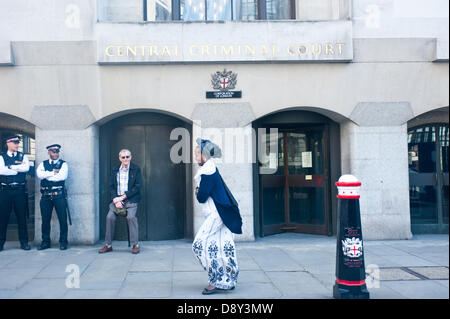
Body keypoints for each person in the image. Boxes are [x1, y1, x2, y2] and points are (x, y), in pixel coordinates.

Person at [192, 138, 243, 295]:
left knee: (199, 245)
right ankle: (228, 280)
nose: (195, 157)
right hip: (223, 212)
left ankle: (216, 280)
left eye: (197, 154)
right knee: (221, 245)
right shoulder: (211, 168)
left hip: (217, 214)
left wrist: (197, 191)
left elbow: (201, 197)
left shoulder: (207, 172)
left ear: (204, 155)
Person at [99, 149, 142, 254]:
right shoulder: (115, 170)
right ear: (120, 158)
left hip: (130, 200)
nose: (125, 159)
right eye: (123, 157)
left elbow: (137, 187)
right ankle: (108, 245)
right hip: (116, 200)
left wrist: (122, 197)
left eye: (127, 156)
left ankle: (135, 245)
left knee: (131, 217)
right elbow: (111, 186)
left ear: (131, 157)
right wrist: (115, 199)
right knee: (110, 217)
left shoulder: (136, 169)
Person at [0, 135, 31, 251]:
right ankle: (1, 242)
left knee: (21, 217)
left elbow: (26, 168)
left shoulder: (23, 156)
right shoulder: (1, 157)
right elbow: (1, 170)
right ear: (7, 143)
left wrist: (10, 167)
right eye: (14, 142)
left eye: (18, 142)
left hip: (19, 191)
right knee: (3, 217)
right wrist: (17, 169)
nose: (17, 145)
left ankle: (24, 242)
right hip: (5, 191)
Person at [36, 144, 69, 250]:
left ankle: (63, 242)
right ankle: (45, 242)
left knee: (63, 219)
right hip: (45, 196)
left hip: (58, 195)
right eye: (53, 152)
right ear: (49, 152)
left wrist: (47, 175)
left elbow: (62, 177)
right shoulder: (43, 164)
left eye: (57, 152)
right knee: (45, 220)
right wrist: (52, 173)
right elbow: (39, 175)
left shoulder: (63, 164)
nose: (55, 154)